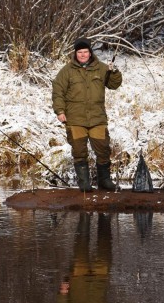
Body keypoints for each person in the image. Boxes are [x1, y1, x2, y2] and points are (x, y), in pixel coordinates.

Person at [52, 38, 123, 192]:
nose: (83, 55)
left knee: (103, 149)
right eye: (80, 52)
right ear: (75, 53)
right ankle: (84, 183)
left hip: (97, 118)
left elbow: (114, 84)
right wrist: (60, 111)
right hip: (75, 119)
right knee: (79, 151)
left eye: (85, 52)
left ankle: (105, 181)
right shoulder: (67, 71)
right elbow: (58, 92)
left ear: (90, 53)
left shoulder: (102, 68)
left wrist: (114, 72)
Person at [57, 213, 126, 303]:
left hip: (78, 282)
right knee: (104, 246)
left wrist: (63, 293)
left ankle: (85, 215)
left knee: (81, 245)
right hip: (100, 281)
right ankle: (104, 215)